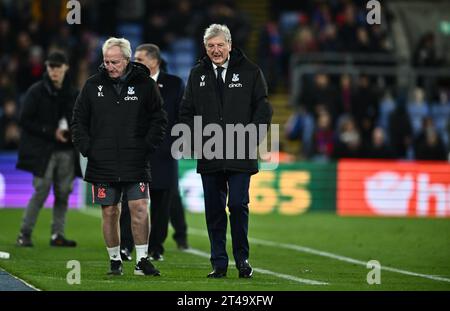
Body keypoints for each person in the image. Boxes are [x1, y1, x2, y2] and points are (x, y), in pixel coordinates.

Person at [179, 24, 273, 278]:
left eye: (220, 45)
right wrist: (193, 139)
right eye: (211, 46)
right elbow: (186, 111)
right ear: (205, 48)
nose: (216, 50)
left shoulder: (251, 71)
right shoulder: (196, 73)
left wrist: (252, 137)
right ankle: (219, 263)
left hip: (240, 151)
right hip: (209, 153)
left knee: (238, 204)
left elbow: (263, 108)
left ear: (230, 45)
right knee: (214, 210)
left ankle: (242, 259)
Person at [71, 37, 167, 276]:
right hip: (101, 162)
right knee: (110, 211)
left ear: (126, 60)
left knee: (139, 207)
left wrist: (147, 146)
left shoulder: (145, 84)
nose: (110, 66)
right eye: (106, 61)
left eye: (114, 62)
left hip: (136, 160)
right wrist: (88, 148)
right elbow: (79, 120)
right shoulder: (93, 85)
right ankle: (115, 259)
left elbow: (159, 118)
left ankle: (142, 260)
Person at [119, 43, 189, 262]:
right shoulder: (128, 83)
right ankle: (125, 246)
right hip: (135, 153)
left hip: (165, 153)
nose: (135, 63)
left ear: (154, 61)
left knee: (162, 204)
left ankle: (156, 247)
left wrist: (179, 143)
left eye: (139, 59)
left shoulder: (174, 84)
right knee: (129, 202)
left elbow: (183, 116)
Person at [16, 51, 81, 247]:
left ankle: (57, 235)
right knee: (41, 191)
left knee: (63, 193)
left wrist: (72, 132)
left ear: (65, 68)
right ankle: (24, 234)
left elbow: (81, 120)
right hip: (43, 150)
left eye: (57, 67)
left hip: (67, 150)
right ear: (46, 67)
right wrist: (51, 132)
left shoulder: (73, 93)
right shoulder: (36, 91)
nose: (54, 71)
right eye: (51, 67)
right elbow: (24, 120)